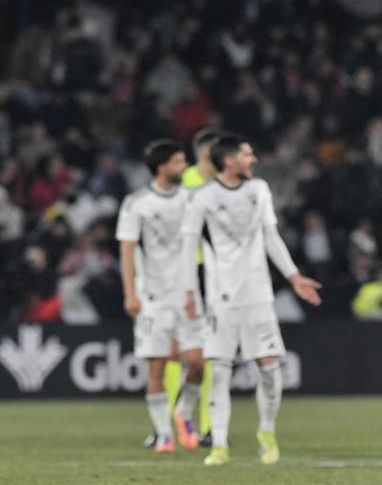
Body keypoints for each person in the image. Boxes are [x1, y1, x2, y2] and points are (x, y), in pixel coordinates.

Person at [181, 134, 323, 466]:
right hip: (221, 298)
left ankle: (267, 432)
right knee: (219, 373)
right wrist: (189, 292)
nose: (253, 159)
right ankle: (218, 444)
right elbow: (189, 247)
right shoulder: (202, 197)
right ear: (229, 160)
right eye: (247, 154)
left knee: (270, 370)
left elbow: (270, 236)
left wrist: (293, 276)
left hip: (258, 296)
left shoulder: (258, 190)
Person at [116, 140, 207, 454]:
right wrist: (130, 294)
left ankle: (183, 412)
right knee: (156, 367)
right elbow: (127, 249)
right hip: (153, 297)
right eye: (179, 162)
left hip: (187, 294)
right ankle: (164, 433)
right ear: (161, 167)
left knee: (197, 363)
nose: (184, 167)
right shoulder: (137, 203)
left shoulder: (192, 199)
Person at [161, 126, 222, 447]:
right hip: (183, 273)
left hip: (215, 275)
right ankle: (166, 427)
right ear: (206, 154)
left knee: (212, 353)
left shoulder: (227, 185)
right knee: (174, 352)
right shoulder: (184, 183)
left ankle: (210, 428)